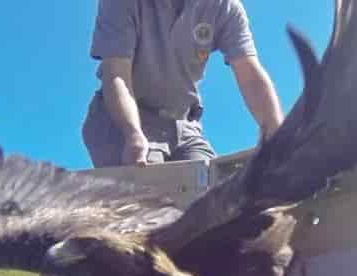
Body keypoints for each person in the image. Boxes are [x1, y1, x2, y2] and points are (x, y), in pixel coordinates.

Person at [80, 0, 284, 169]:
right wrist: (132, 133)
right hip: (121, 119)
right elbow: (117, 74)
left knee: (213, 194)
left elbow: (250, 74)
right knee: (152, 200)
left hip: (184, 125)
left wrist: (277, 133)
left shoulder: (225, 7)